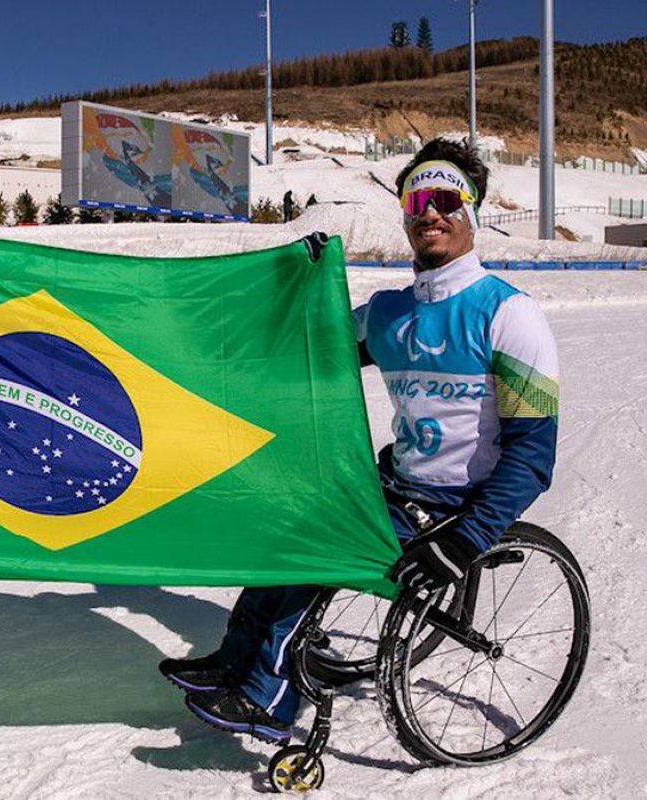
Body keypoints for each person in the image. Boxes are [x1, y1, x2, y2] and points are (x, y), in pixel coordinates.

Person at [159, 138, 560, 745]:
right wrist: (298, 280)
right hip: (395, 487)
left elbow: (533, 455)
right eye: (417, 200)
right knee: (284, 523)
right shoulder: (389, 313)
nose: (431, 212)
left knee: (321, 548)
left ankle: (270, 697)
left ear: (472, 211)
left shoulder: (511, 314)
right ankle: (237, 659)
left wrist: (469, 537)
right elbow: (309, 349)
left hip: (459, 506)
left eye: (446, 199)